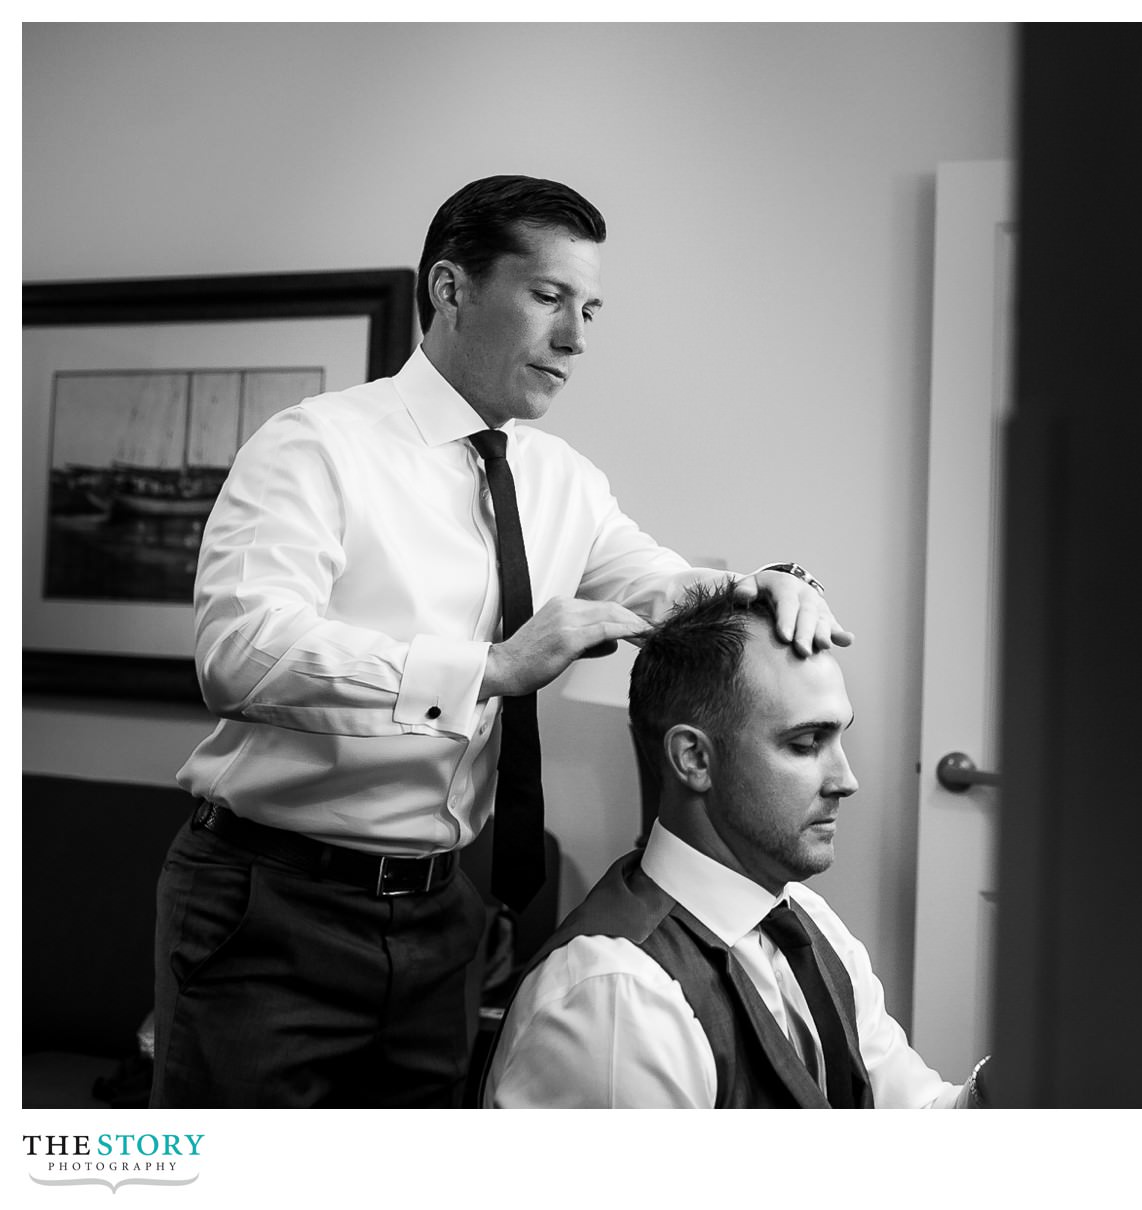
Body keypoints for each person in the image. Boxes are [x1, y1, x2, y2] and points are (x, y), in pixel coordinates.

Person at [151, 174, 847, 1108]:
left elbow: (658, 582)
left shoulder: (562, 480)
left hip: (445, 912)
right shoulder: (315, 447)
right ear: (450, 288)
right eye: (549, 297)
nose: (576, 338)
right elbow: (240, 652)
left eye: (589, 307)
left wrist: (758, 583)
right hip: (274, 906)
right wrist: (491, 670)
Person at [482, 580, 991, 1107]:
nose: (846, 779)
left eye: (840, 737)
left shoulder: (806, 920)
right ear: (694, 759)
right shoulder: (620, 1001)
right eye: (805, 744)